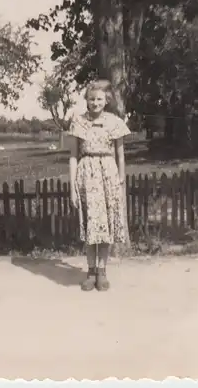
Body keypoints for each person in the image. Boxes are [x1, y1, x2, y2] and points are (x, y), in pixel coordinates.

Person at [68, 80, 130, 292]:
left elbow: (121, 155)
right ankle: (91, 270)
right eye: (91, 98)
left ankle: (102, 271)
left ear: (107, 100)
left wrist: (120, 181)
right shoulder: (78, 122)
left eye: (99, 99)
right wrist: (72, 187)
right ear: (86, 100)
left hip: (108, 175)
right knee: (90, 225)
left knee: (105, 226)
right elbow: (73, 157)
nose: (95, 102)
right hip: (86, 176)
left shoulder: (114, 122)